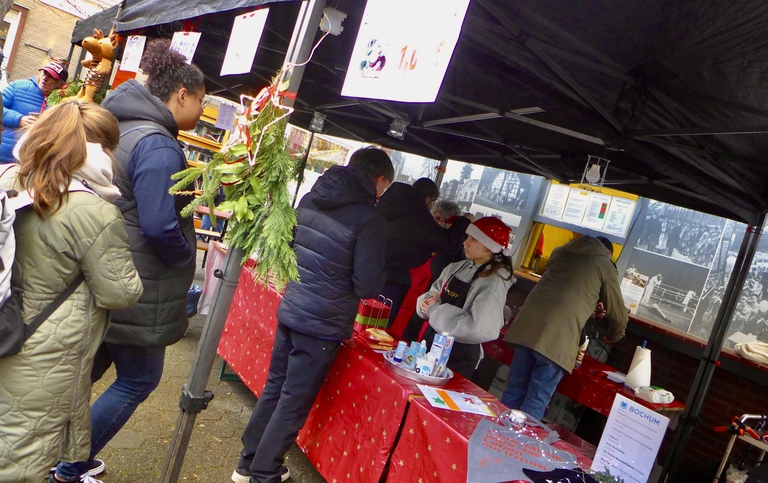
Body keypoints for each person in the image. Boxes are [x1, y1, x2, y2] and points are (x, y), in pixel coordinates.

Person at [53, 39, 204, 481]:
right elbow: (159, 226)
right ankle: (68, 465)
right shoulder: (159, 145)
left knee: (87, 372)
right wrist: (183, 258)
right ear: (182, 95)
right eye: (201, 101)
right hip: (137, 283)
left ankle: (48, 453)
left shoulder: (124, 128)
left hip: (107, 271)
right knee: (139, 379)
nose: (200, 109)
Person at [0, 101, 142, 483]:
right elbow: (120, 292)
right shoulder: (93, 211)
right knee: (19, 462)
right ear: (96, 150)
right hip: (41, 356)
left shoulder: (10, 178)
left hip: (5, 330)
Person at [232, 147, 394, 483]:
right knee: (293, 400)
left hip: (292, 307)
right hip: (322, 323)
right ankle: (264, 471)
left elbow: (290, 247)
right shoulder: (369, 219)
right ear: (378, 180)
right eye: (385, 187)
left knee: (276, 386)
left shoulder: (311, 197)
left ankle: (248, 462)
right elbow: (367, 285)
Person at [501, 235, 628, 420]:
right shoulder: (605, 265)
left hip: (527, 327)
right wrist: (615, 335)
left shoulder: (560, 251)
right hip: (557, 339)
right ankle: (519, 446)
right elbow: (617, 311)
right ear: (608, 253)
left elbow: (562, 291)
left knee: (514, 389)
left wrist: (589, 309)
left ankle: (493, 436)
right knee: (536, 399)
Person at [416, 216, 516, 378]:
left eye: (474, 239)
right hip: (432, 343)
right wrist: (424, 304)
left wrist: (434, 311)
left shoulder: (493, 282)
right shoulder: (455, 267)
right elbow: (432, 293)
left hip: (458, 357)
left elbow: (479, 328)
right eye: (468, 237)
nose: (465, 242)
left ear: (489, 248)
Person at [376, 178, 471, 326]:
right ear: (428, 200)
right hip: (399, 284)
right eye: (436, 218)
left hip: (419, 296)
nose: (437, 223)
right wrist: (464, 222)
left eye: (444, 221)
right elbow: (446, 243)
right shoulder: (418, 217)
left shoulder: (392, 206)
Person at [0, 60, 68, 163]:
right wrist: (18, 119)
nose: (45, 78)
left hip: (29, 164)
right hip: (3, 156)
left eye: (51, 77)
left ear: (60, 84)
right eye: (45, 73)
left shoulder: (61, 104)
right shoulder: (18, 87)